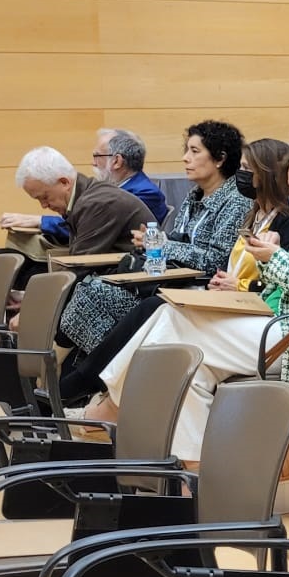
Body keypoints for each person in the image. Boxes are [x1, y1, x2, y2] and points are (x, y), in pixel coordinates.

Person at [87, 143, 289, 459]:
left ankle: (116, 407)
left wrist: (276, 258)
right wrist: (267, 258)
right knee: (186, 356)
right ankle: (197, 467)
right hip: (288, 324)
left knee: (176, 328)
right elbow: (282, 283)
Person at [56, 121, 250, 405]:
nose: (186, 158)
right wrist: (158, 244)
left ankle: (97, 386)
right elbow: (178, 243)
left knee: (95, 295)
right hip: (168, 280)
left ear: (220, 158)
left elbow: (216, 260)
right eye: (187, 150)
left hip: (198, 292)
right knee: (88, 288)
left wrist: (161, 244)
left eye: (195, 151)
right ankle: (107, 386)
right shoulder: (193, 197)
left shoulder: (235, 203)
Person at [0, 146, 145, 258]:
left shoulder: (97, 203)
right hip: (109, 271)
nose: (43, 205)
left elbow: (80, 263)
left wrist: (35, 294)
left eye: (44, 197)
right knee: (7, 256)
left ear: (64, 182)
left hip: (131, 282)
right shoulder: (86, 196)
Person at [46, 130, 165, 238]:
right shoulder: (115, 189)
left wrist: (43, 222)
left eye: (97, 156)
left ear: (117, 161)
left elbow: (92, 227)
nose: (93, 163)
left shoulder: (146, 193)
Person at [237, 138, 289, 247]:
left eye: (246, 167)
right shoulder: (254, 212)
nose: (240, 172)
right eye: (240, 166)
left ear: (267, 174)